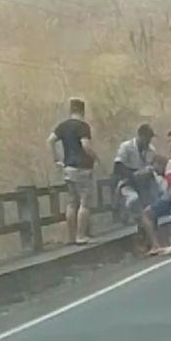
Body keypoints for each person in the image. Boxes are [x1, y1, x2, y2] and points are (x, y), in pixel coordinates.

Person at [47, 98, 99, 245]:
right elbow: (86, 146)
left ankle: (71, 237)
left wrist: (56, 159)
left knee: (71, 203)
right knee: (84, 202)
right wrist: (96, 157)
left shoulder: (63, 126)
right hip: (82, 167)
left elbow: (50, 140)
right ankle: (80, 235)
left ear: (71, 110)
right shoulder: (83, 126)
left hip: (68, 167)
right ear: (82, 111)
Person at [113, 124, 157, 220]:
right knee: (133, 199)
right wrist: (134, 174)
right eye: (147, 138)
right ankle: (131, 219)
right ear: (140, 136)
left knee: (153, 201)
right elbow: (118, 167)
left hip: (143, 184)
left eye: (150, 138)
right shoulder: (126, 147)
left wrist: (148, 171)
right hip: (127, 181)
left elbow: (151, 165)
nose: (149, 141)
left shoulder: (151, 150)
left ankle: (146, 226)